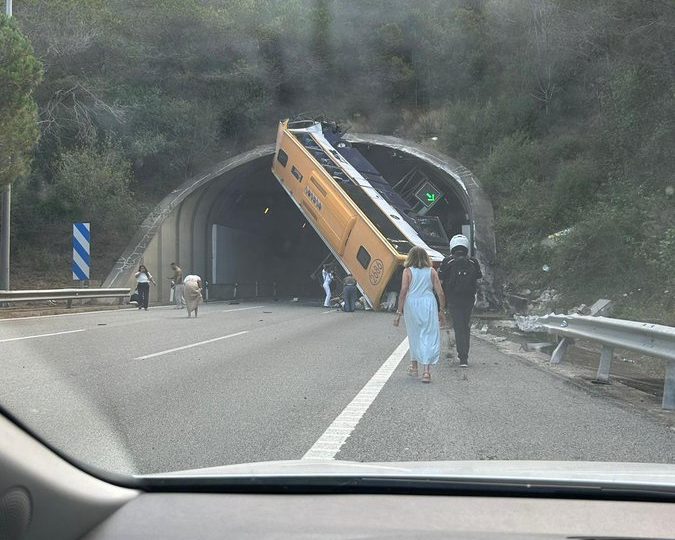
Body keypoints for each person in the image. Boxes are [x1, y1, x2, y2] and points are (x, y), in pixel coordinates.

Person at [394, 246, 446, 383]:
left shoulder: (407, 271)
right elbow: (440, 292)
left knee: (414, 334)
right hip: (429, 303)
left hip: (412, 304)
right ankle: (426, 372)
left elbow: (404, 291)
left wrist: (399, 312)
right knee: (428, 335)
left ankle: (414, 366)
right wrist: (442, 310)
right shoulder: (432, 271)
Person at [438, 234, 482, 367]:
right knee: (466, 325)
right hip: (468, 298)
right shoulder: (473, 262)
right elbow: (478, 277)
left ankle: (461, 356)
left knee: (458, 326)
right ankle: (465, 356)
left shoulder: (447, 261)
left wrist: (441, 302)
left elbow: (441, 278)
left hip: (453, 298)